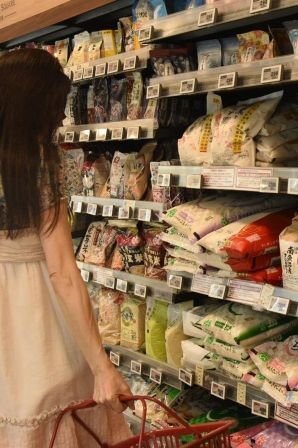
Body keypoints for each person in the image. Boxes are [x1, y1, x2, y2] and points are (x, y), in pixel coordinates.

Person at [0, 49, 132, 446]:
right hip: (35, 310)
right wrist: (102, 367)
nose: (60, 116)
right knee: (57, 407)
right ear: (34, 107)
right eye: (56, 105)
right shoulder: (42, 163)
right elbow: (62, 273)